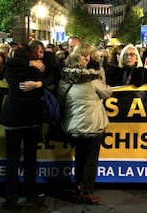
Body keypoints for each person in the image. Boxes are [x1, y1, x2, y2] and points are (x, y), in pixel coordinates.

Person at [57, 43, 112, 204]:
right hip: (93, 124)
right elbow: (107, 92)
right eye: (84, 55)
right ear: (78, 58)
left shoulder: (64, 79)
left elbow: (61, 100)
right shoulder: (92, 79)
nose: (87, 58)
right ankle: (87, 190)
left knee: (80, 156)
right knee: (90, 160)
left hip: (73, 124)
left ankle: (79, 185)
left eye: (88, 55)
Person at [0, 43, 46, 209]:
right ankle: (30, 194)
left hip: (12, 119)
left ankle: (11, 196)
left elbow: (9, 62)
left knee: (11, 159)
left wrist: (27, 63)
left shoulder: (11, 69)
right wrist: (32, 67)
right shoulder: (36, 70)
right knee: (30, 159)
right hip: (31, 119)